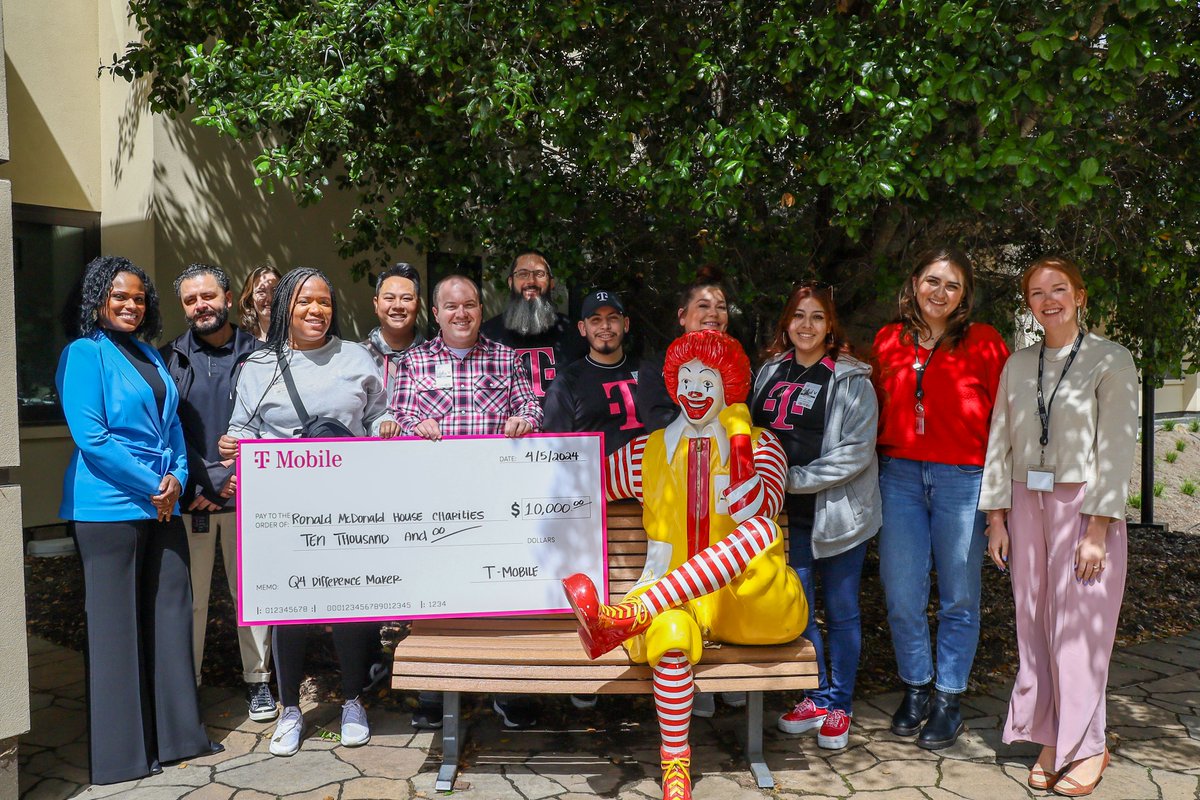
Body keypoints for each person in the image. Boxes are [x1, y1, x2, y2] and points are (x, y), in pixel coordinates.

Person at [562, 330, 807, 800]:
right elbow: (577, 483)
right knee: (670, 636)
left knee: (759, 532)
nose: (695, 388)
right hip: (684, 609)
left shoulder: (762, 446)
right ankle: (676, 767)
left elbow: (756, 506)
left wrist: (738, 438)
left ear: (729, 387)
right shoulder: (644, 454)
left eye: (708, 378)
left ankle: (630, 616)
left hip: (755, 603)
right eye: (687, 377)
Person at [221, 267, 399, 757]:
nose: (315, 311)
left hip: (350, 504)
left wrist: (385, 426)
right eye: (304, 302)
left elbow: (378, 412)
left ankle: (354, 700)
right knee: (290, 607)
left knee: (350, 606)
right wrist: (234, 445)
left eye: (323, 301)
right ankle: (291, 709)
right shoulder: (260, 365)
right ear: (284, 309)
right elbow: (245, 429)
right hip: (286, 509)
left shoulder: (357, 356)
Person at [57, 255, 221, 784]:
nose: (131, 304)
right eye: (119, 296)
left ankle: (177, 738)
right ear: (98, 300)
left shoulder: (150, 353)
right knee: (115, 630)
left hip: (161, 503)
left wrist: (175, 475)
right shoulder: (83, 354)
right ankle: (123, 755)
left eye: (138, 297)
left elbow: (170, 425)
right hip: (108, 507)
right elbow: (92, 438)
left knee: (171, 615)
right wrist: (154, 486)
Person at [980, 256, 1137, 795]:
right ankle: (1053, 735)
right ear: (1028, 302)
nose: (1049, 299)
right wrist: (996, 519)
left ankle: (1089, 744)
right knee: (1035, 626)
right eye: (1037, 291)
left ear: (1080, 295)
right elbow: (1000, 438)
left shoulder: (1110, 359)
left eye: (1059, 288)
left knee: (1078, 630)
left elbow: (1116, 449)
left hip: (1084, 508)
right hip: (1027, 503)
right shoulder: (1018, 364)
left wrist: (1097, 531)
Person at [871, 245, 1010, 749]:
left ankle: (949, 698)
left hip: (963, 479)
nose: (941, 292)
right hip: (900, 476)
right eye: (932, 281)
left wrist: (999, 509)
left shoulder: (986, 342)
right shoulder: (887, 340)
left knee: (959, 595)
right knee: (902, 592)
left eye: (952, 285)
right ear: (914, 284)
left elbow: (1005, 426)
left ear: (964, 295)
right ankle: (916, 686)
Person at [392, 273, 544, 729]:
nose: (462, 313)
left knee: (501, 596)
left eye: (471, 305)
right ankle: (435, 693)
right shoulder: (413, 362)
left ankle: (506, 690)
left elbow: (533, 408)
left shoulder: (507, 357)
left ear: (481, 309)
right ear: (435, 313)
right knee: (436, 597)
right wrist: (412, 426)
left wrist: (523, 420)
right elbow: (396, 417)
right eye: (451, 306)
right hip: (434, 503)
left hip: (498, 501)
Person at [750, 283, 880, 750]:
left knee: (842, 610)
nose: (807, 325)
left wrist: (790, 478)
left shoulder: (851, 379)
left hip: (838, 514)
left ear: (831, 326)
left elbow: (856, 453)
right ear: (786, 323)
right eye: (799, 316)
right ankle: (816, 695)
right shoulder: (767, 371)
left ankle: (840, 703)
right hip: (782, 517)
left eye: (817, 317)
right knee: (799, 607)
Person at [161, 263, 275, 721]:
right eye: (190, 300)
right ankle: (188, 685)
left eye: (207, 296)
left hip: (250, 496)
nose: (200, 306)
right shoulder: (166, 357)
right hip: (193, 499)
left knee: (253, 597)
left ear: (228, 298)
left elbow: (274, 423)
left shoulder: (262, 353)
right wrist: (204, 480)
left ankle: (259, 682)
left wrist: (230, 475)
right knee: (193, 599)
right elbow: (167, 428)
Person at [360, 261, 426, 694]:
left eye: (407, 297)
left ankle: (422, 666)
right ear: (376, 304)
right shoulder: (352, 354)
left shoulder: (434, 352)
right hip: (367, 478)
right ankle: (368, 665)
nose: (398, 305)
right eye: (390, 297)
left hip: (420, 478)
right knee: (368, 565)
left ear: (419, 306)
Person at [543, 289, 646, 456]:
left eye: (613, 318)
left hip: (644, 478)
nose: (605, 326)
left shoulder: (647, 372)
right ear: (583, 328)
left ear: (625, 324)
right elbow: (555, 450)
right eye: (595, 320)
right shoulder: (567, 383)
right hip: (594, 479)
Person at [480, 249, 587, 398]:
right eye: (522, 274)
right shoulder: (487, 335)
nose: (531, 281)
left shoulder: (575, 332)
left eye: (539, 274)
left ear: (552, 283)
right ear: (510, 282)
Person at [638, 266, 731, 432]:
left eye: (721, 307)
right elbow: (658, 425)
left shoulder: (736, 365)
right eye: (703, 306)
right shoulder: (655, 368)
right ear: (682, 316)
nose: (713, 313)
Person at [238, 263, 281, 341]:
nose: (270, 298)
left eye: (275, 291)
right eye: (261, 292)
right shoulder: (242, 343)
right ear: (250, 299)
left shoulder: (297, 338)